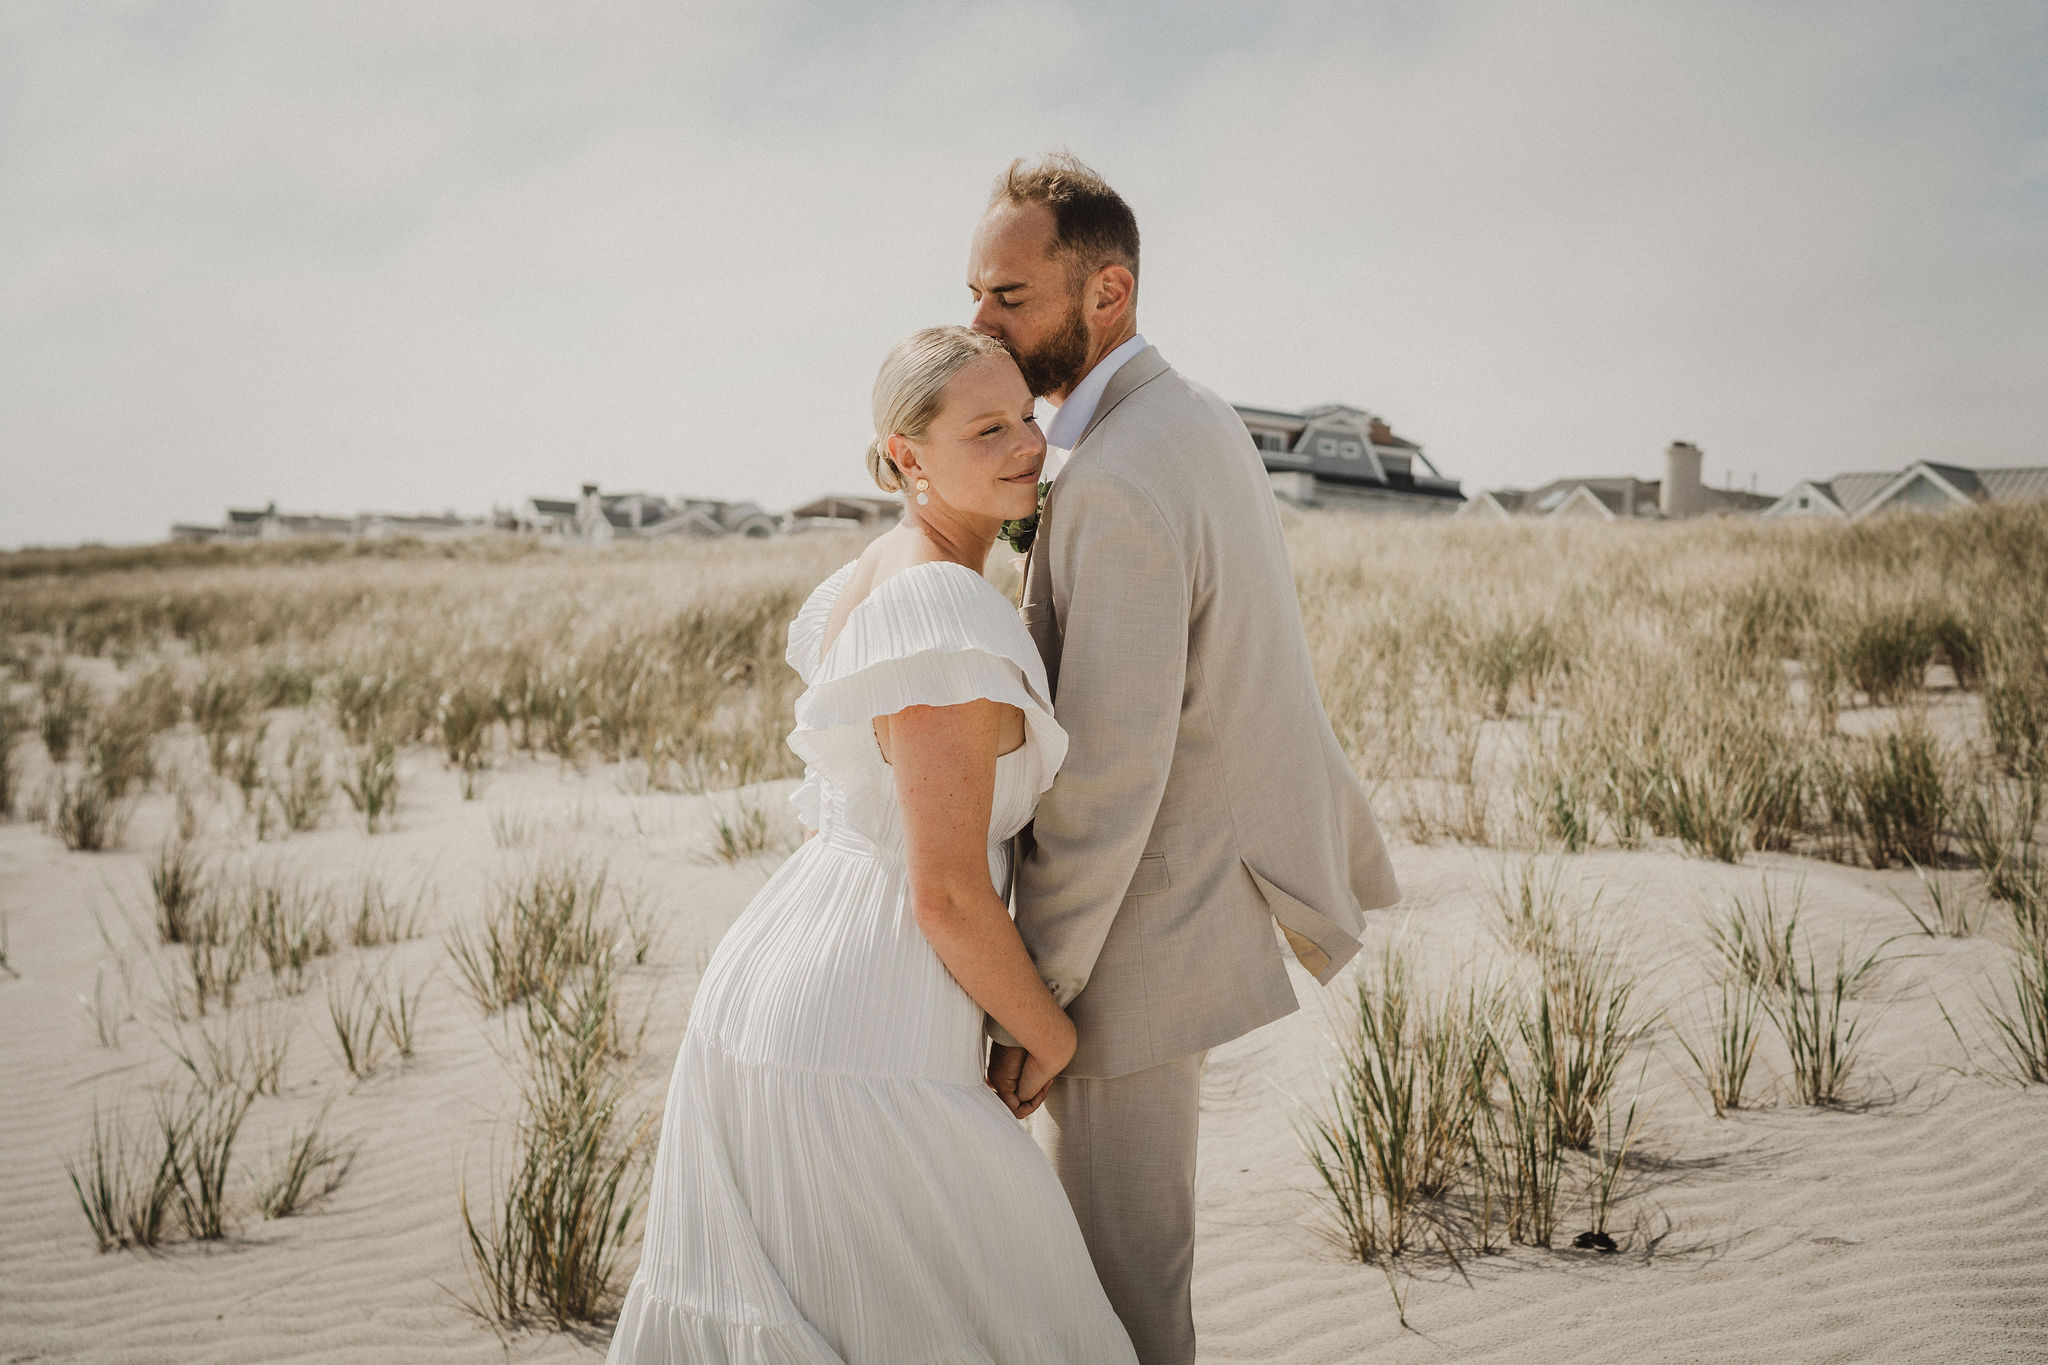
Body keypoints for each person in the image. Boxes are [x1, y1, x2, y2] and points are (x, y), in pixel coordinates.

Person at [605, 325, 1137, 1363]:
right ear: (906, 455)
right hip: (859, 1023)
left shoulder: (873, 572)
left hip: (790, 979)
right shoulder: (938, 601)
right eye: (985, 428)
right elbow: (942, 891)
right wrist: (1055, 1036)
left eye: (1026, 415)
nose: (1026, 443)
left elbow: (839, 813)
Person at [968, 153, 1400, 1365]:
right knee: (1130, 1266)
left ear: (1104, 295)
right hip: (1174, 902)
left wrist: (1034, 999)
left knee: (1122, 1289)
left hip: (1130, 941)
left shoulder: (1111, 477)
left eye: (1010, 297)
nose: (978, 323)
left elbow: (1108, 773)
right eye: (975, 292)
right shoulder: (1190, 414)